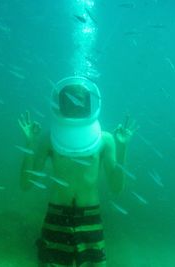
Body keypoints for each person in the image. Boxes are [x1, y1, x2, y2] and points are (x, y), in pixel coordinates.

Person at [18, 76, 136, 267]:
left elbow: (117, 188)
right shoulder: (50, 138)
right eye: (70, 100)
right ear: (61, 103)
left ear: (89, 103)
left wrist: (123, 148)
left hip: (90, 216)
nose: (75, 104)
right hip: (57, 215)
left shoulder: (105, 139)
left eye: (78, 101)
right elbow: (25, 184)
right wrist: (30, 143)